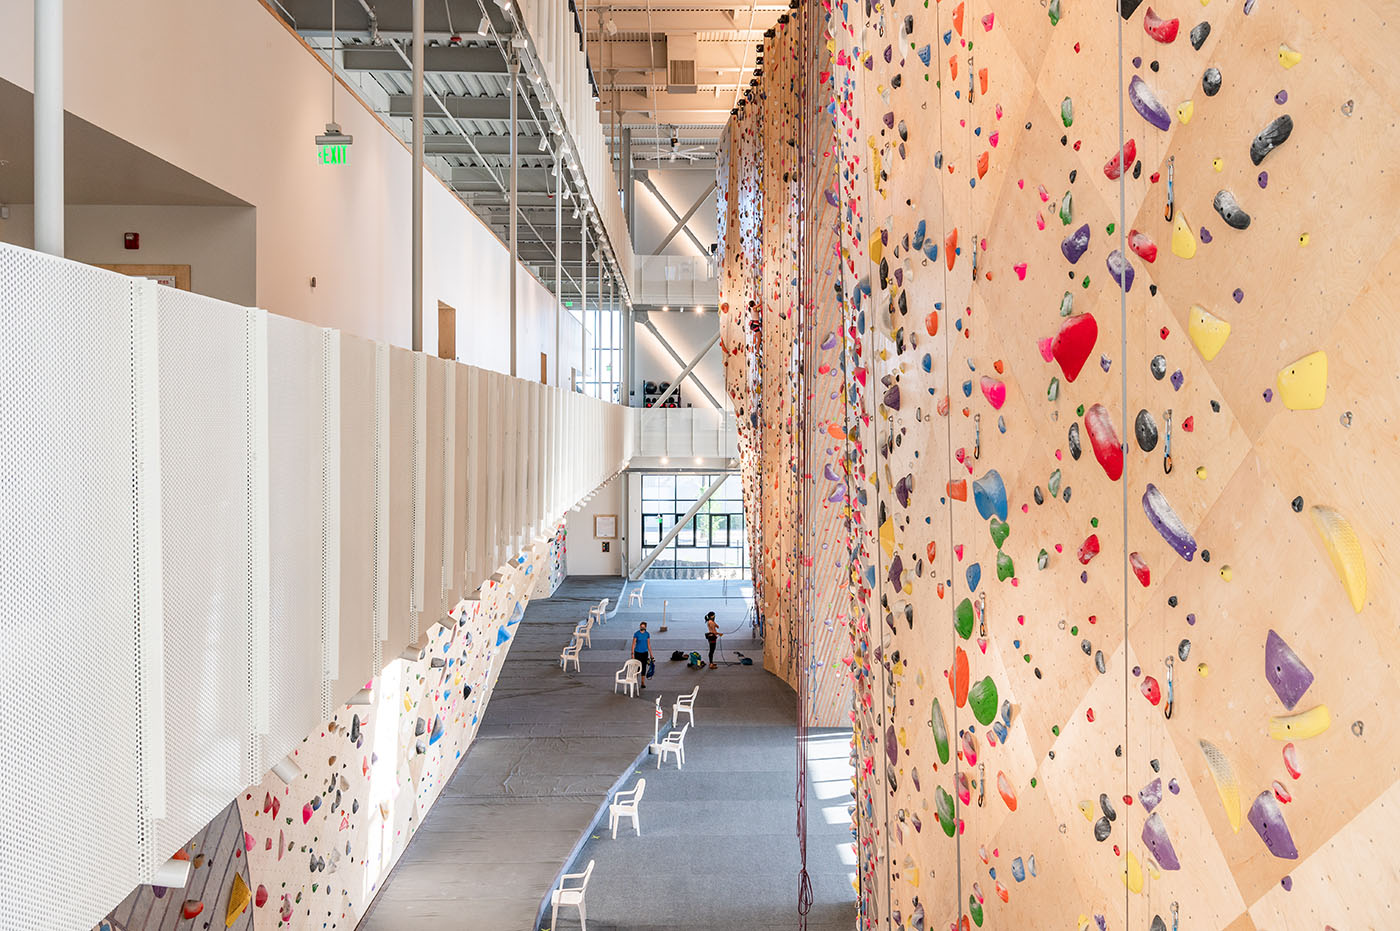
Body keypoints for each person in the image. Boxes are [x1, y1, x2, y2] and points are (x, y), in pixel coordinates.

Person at [630, 621, 651, 691]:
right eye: (641, 626)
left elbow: (648, 645)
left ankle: (642, 682)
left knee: (644, 667)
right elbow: (633, 644)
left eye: (643, 627)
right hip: (637, 653)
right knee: (637, 667)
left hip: (645, 653)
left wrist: (651, 655)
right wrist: (632, 653)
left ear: (645, 627)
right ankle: (635, 680)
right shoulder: (636, 634)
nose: (642, 627)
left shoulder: (647, 634)